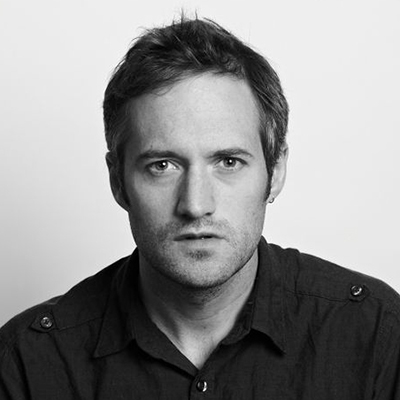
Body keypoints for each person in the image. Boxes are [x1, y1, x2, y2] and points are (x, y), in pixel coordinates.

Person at [1, 16, 399, 399]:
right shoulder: (26, 362)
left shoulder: (375, 334)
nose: (195, 205)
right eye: (162, 166)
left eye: (228, 162)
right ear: (118, 182)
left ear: (275, 172)